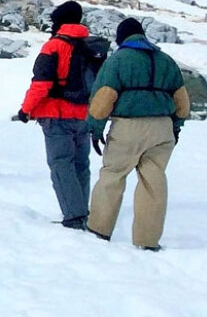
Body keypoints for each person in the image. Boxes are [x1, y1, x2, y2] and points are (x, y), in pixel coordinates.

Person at [86, 18, 190, 251]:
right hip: (162, 128)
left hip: (128, 127)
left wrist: (95, 128)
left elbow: (103, 98)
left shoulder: (118, 61)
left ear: (122, 38)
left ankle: (98, 230)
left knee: (113, 176)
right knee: (153, 182)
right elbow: (182, 101)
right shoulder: (166, 61)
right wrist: (176, 126)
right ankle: (147, 240)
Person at [17, 1, 97, 230]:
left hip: (57, 116)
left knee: (62, 164)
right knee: (81, 164)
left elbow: (41, 84)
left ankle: (74, 217)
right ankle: (82, 212)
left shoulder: (54, 46)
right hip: (84, 115)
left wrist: (25, 109)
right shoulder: (89, 46)